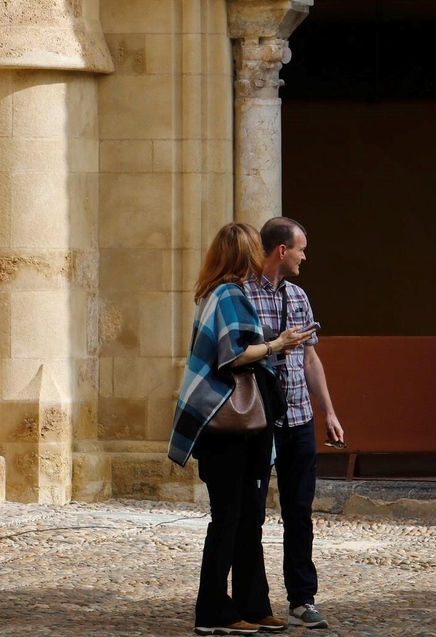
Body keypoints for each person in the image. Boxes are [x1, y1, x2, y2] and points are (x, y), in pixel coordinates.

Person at [170, 222, 317, 636]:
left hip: (238, 427)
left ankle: (253, 606)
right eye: (253, 248)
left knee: (247, 518)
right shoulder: (228, 294)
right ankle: (213, 613)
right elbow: (232, 355)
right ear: (243, 253)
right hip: (227, 425)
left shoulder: (219, 293)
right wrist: (277, 344)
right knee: (229, 520)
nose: (259, 254)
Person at [248, 217, 343, 631]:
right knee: (251, 513)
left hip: (299, 418)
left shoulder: (298, 296)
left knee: (299, 512)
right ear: (282, 250)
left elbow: (310, 358)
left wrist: (329, 412)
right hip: (258, 420)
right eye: (301, 249)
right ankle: (253, 602)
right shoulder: (243, 293)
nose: (305, 257)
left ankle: (302, 600)